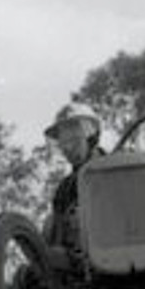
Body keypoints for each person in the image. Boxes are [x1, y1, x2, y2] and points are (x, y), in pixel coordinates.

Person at [44, 102, 105, 249]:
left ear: (92, 138)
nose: (67, 147)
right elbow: (56, 242)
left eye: (73, 139)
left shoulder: (116, 170)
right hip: (78, 263)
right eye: (63, 142)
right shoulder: (64, 189)